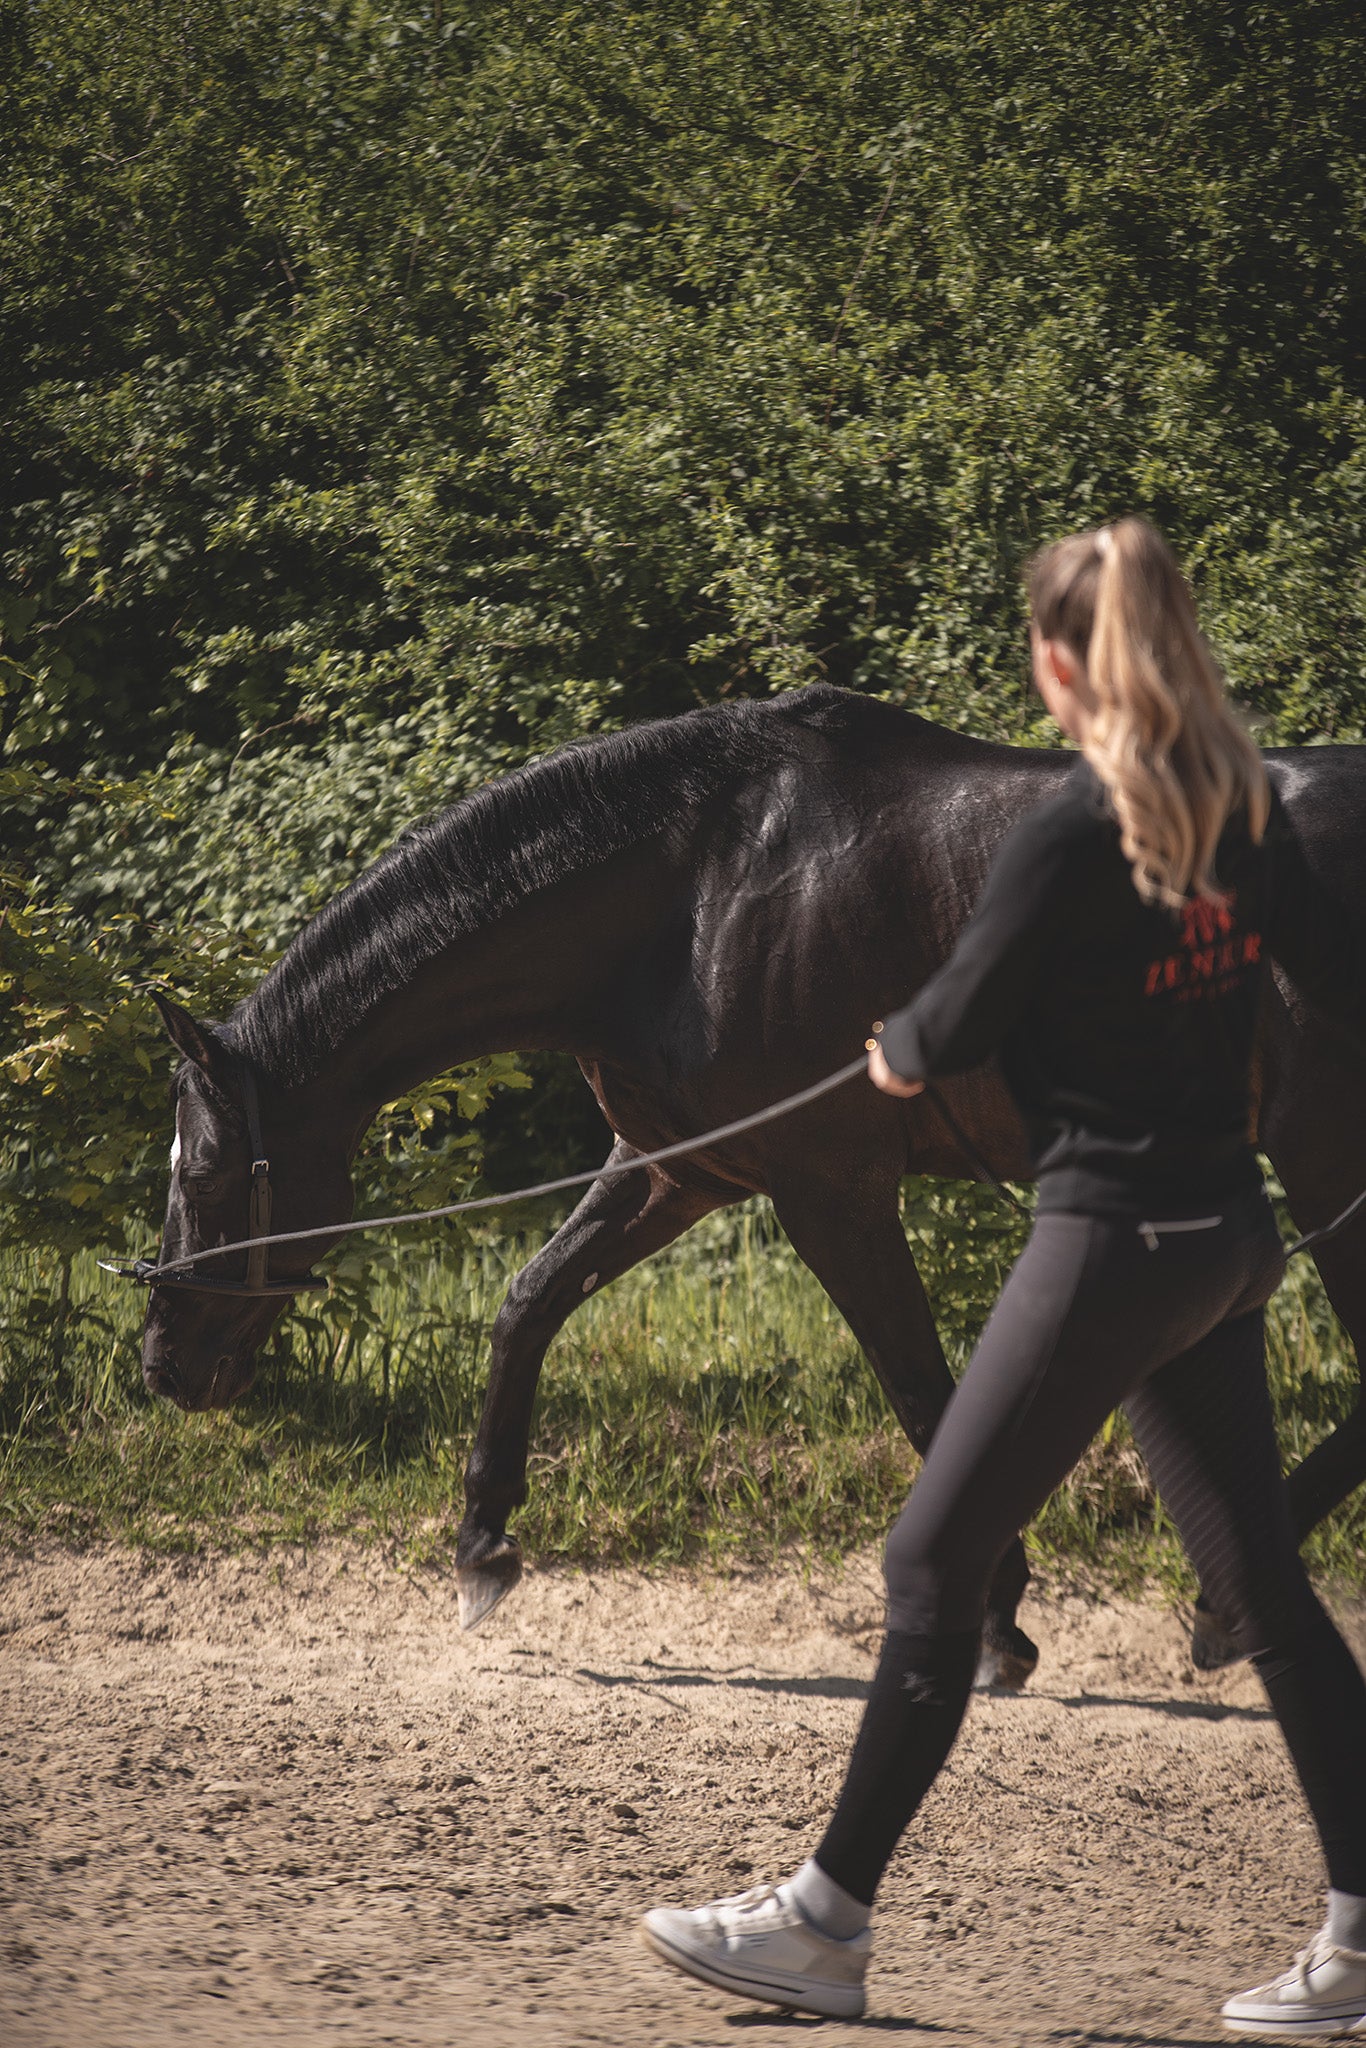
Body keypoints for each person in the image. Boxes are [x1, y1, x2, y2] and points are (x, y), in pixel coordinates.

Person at [639, 518, 1366, 2037]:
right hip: (1221, 1245)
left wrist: (890, 1054)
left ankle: (824, 1925)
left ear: (1055, 663)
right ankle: (1360, 1939)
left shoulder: (1068, 822)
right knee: (1266, 1594)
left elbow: (952, 1027)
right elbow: (1324, 978)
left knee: (926, 1568)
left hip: (1105, 1243)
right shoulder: (1239, 807)